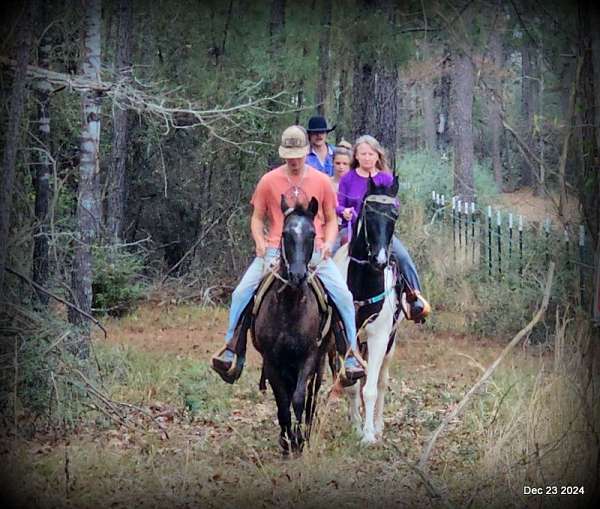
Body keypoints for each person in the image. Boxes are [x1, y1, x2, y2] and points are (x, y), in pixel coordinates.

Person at [211, 125, 365, 383]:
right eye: (289, 155)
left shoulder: (321, 181)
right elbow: (257, 218)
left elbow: (330, 219)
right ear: (283, 155)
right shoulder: (268, 181)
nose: (294, 160)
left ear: (306, 152)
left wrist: (328, 243)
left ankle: (349, 354)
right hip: (274, 250)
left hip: (313, 252)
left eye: (298, 154)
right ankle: (231, 349)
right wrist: (259, 241)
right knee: (241, 294)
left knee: (344, 298)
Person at [336, 135, 430, 322]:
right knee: (328, 254)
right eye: (363, 154)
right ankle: (321, 299)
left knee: (402, 255)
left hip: (379, 233)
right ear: (356, 156)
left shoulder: (386, 179)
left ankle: (414, 297)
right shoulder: (348, 179)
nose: (367, 158)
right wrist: (343, 211)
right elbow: (338, 204)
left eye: (371, 154)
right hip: (351, 229)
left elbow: (395, 205)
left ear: (377, 156)